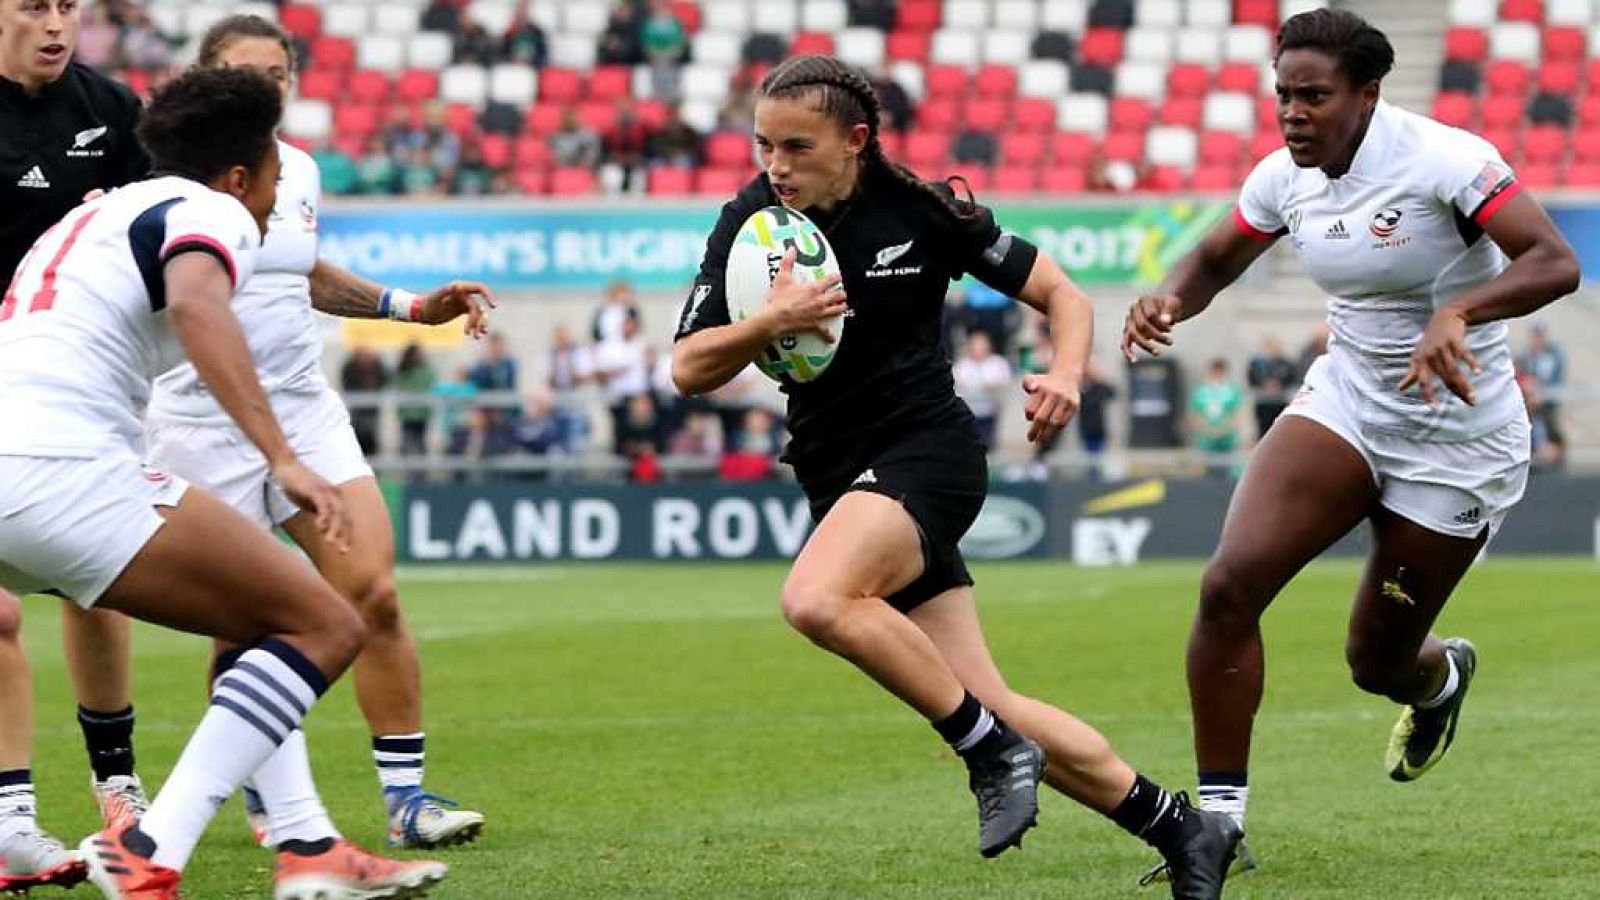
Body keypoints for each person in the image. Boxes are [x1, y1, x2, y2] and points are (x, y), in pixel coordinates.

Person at [672, 55, 1238, 899]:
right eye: (763, 145)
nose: (776, 165)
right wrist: (770, 321)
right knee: (987, 698)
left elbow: (1064, 296)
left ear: (856, 141)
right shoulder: (750, 220)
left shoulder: (925, 211)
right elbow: (687, 368)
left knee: (816, 601)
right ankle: (1186, 830)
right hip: (838, 475)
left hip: (927, 456)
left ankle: (990, 753)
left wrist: (1067, 375)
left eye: (796, 146)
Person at [1120, 8, 1580, 882]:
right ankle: (1216, 826)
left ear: (1368, 95)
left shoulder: (1446, 160)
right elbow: (1215, 259)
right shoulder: (1283, 179)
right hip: (1349, 405)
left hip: (1459, 439)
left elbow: (1554, 260)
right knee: (1228, 586)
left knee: (1376, 663)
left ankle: (1439, 679)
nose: (1293, 114)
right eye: (1283, 95)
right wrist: (1169, 298)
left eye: (1314, 96)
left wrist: (1459, 311)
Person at [0, 62, 380, 900]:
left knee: (265, 623)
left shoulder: (100, 210)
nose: (281, 199)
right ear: (241, 174)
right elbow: (200, 305)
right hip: (58, 468)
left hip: (16, 464)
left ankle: (309, 847)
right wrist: (282, 455)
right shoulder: (212, 209)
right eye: (277, 176)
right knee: (323, 623)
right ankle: (152, 848)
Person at [144, 15, 491, 859]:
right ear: (209, 80)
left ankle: (405, 798)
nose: (267, 88)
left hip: (302, 406)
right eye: (245, 73)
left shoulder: (293, 168)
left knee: (372, 590)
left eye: (278, 72)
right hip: (197, 420)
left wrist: (410, 307)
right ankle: (267, 791)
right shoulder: (168, 182)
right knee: (243, 617)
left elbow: (304, 271)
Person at [0, 0, 157, 886]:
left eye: (70, 6)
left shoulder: (112, 112)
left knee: (98, 579)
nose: (56, 23)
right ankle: (12, 818)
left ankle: (117, 785)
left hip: (77, 388)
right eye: (35, 5)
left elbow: (169, 233)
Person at [1189, 358, 1243, 478]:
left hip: (1226, 437)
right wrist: (1208, 430)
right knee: (1207, 471)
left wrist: (1225, 430)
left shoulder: (1232, 391)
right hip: (1207, 437)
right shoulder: (1201, 392)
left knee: (1228, 470)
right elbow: (1196, 414)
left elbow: (1237, 414)